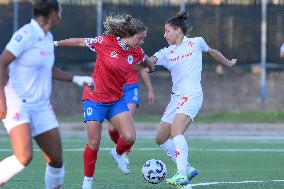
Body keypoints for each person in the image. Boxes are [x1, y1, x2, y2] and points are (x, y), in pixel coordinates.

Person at [53, 14, 154, 189]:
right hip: (95, 99)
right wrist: (54, 43)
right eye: (140, 38)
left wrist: (151, 67)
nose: (142, 42)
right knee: (94, 142)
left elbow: (146, 61)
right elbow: (80, 42)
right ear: (129, 35)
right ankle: (88, 182)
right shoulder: (105, 41)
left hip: (116, 100)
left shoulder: (137, 52)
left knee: (130, 137)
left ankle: (116, 153)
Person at [0, 0, 93, 188]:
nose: (61, 15)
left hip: (41, 105)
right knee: (24, 156)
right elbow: (2, 62)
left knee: (56, 160)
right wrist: (1, 100)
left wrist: (75, 78)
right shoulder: (25, 34)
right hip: (17, 101)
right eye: (59, 11)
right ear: (52, 14)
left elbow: (48, 68)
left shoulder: (48, 37)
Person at [145, 11, 237, 188]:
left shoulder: (196, 42)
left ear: (178, 30)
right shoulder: (166, 52)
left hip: (193, 95)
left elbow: (211, 52)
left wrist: (228, 62)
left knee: (176, 131)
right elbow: (152, 60)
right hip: (176, 98)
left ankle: (181, 175)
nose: (164, 35)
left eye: (167, 31)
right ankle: (187, 168)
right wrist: (146, 63)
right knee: (160, 138)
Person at [108, 67, 155, 164]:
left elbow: (142, 69)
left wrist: (150, 90)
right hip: (115, 88)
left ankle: (124, 154)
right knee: (112, 129)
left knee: (125, 120)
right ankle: (122, 149)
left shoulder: (135, 52)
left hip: (131, 88)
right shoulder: (110, 52)